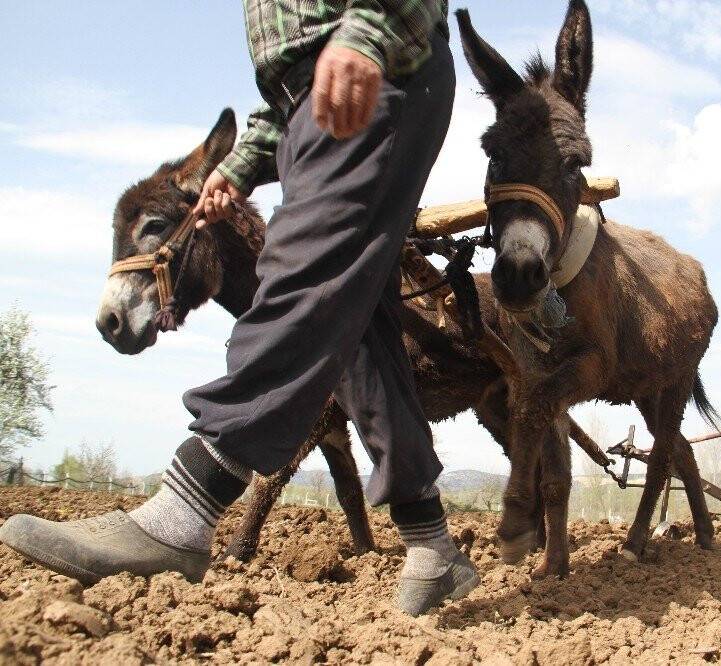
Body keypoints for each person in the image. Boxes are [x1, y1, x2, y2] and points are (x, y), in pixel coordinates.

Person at [0, 1, 478, 616]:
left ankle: (184, 511)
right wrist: (243, 164)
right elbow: (291, 70)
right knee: (361, 330)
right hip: (311, 97)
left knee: (303, 270)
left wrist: (369, 30)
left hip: (372, 71)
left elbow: (333, 37)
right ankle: (431, 544)